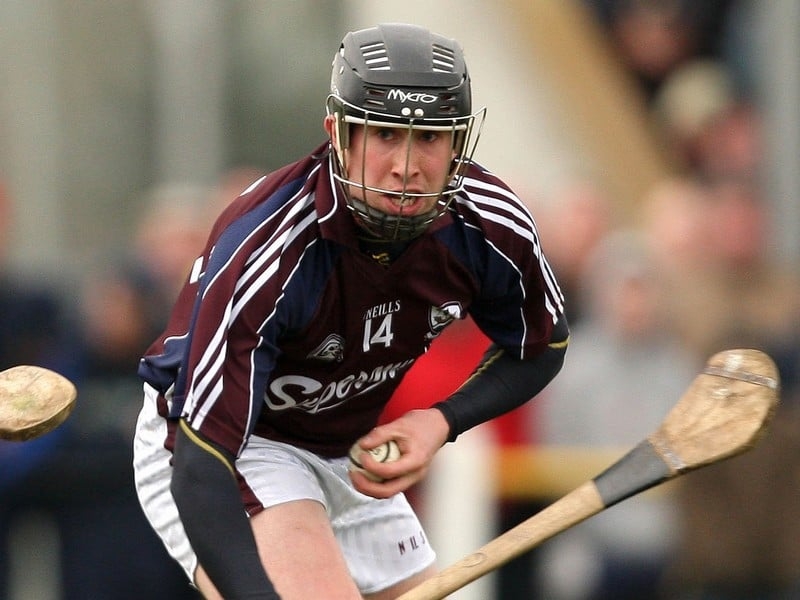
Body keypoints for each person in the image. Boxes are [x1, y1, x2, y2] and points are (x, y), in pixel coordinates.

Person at [133, 23, 568, 599]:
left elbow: (540, 346)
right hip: (227, 445)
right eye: (386, 134)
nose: (407, 167)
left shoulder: (489, 225)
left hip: (347, 450)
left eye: (431, 138)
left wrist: (440, 420)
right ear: (340, 136)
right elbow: (201, 461)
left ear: (459, 143)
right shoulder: (270, 250)